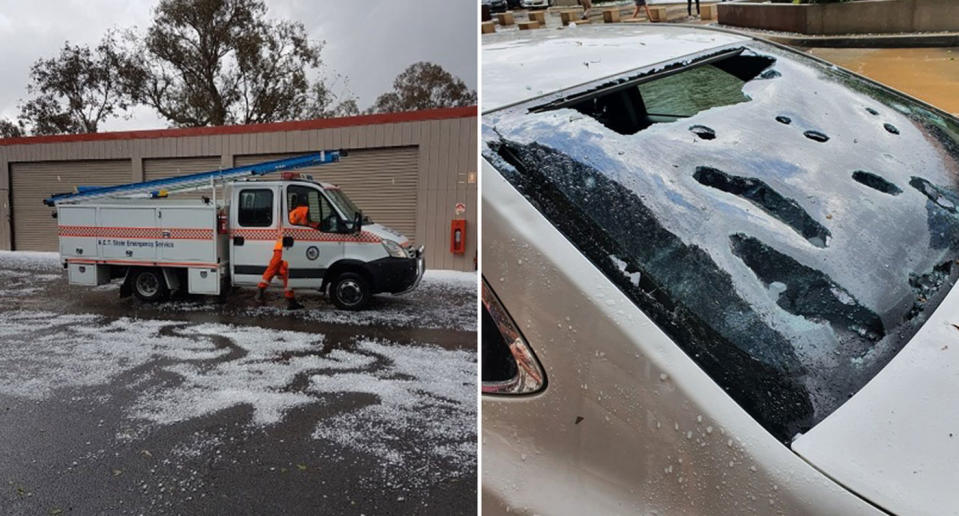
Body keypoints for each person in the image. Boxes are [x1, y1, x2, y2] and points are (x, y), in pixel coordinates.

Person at [256, 195, 315, 310]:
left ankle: (263, 293)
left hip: (282, 247)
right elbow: (305, 225)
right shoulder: (302, 211)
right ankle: (288, 300)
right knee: (285, 272)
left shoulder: (292, 212)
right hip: (286, 247)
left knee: (278, 271)